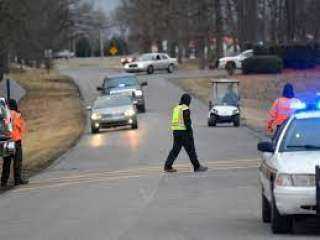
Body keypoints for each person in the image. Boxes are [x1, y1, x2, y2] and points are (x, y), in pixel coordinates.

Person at [164, 94, 208, 173]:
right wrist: (190, 134)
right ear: (187, 100)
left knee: (175, 150)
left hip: (176, 132)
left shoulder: (176, 108)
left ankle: (167, 166)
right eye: (189, 100)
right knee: (191, 150)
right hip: (184, 132)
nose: (190, 102)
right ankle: (197, 167)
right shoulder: (185, 108)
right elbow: (187, 122)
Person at [1, 99, 28, 187]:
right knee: (17, 161)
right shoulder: (16, 115)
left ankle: (3, 181)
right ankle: (17, 179)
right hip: (16, 141)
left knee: (6, 162)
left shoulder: (4, 115)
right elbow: (22, 128)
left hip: (6, 140)